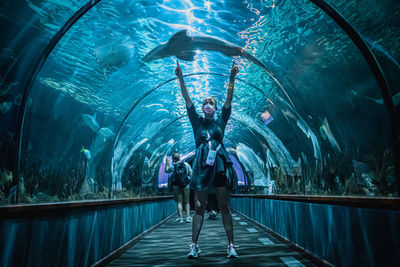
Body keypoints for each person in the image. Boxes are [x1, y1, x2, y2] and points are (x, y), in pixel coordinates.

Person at [174, 60, 239, 259]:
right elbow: (187, 100)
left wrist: (231, 79)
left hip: (218, 166)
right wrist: (181, 78)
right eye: (205, 103)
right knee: (200, 207)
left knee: (224, 206)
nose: (207, 105)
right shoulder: (197, 122)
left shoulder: (221, 121)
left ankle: (231, 245)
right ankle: (193, 245)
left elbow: (229, 99)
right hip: (202, 168)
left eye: (211, 103)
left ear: (215, 108)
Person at [165, 153, 193, 223]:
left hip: (176, 186)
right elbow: (191, 173)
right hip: (186, 186)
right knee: (187, 202)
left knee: (179, 202)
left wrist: (167, 163)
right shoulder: (186, 164)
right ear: (180, 157)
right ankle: (188, 217)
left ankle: (180, 218)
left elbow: (166, 170)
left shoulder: (173, 166)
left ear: (173, 159)